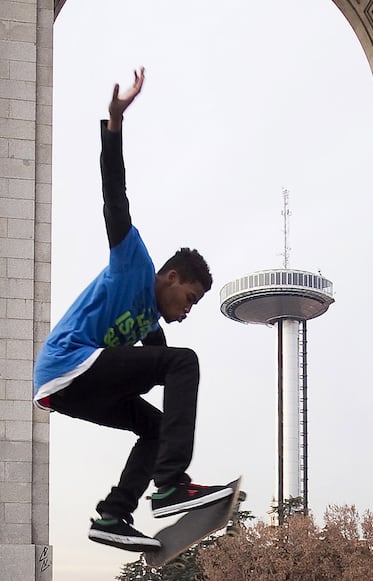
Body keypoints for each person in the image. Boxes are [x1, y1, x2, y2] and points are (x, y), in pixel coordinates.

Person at [33, 68, 233, 552]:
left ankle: (113, 515)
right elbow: (113, 197)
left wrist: (179, 423)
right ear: (169, 277)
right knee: (183, 361)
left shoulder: (150, 323)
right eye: (188, 299)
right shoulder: (132, 263)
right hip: (68, 364)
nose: (186, 312)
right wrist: (115, 124)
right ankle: (169, 487)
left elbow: (159, 367)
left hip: (69, 391)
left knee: (158, 423)